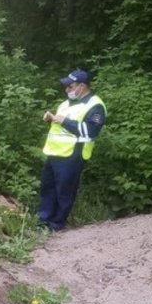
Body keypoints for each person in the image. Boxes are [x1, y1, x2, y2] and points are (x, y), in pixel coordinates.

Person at [38, 69, 107, 231]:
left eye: (71, 86)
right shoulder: (65, 103)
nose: (67, 89)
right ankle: (42, 221)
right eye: (66, 86)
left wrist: (64, 121)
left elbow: (91, 131)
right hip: (54, 152)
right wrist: (52, 118)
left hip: (72, 155)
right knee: (47, 188)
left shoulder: (95, 105)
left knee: (64, 191)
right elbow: (60, 125)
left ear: (82, 86)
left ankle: (56, 224)